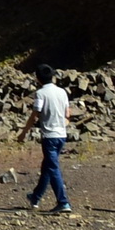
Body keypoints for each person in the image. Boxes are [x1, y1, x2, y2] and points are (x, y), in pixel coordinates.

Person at [20, 68, 74, 214]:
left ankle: (63, 202)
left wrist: (24, 132)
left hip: (49, 136)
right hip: (61, 135)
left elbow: (35, 115)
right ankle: (35, 197)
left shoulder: (40, 93)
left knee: (53, 168)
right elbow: (67, 114)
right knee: (48, 167)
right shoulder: (62, 92)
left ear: (38, 79)